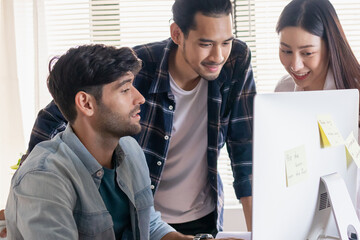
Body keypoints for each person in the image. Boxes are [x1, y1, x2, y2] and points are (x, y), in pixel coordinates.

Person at [5, 0, 256, 235]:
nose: (219, 56)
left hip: (191, 215)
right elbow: (56, 114)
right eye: (205, 43)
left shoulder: (236, 60)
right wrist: (29, 195)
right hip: (144, 212)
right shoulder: (137, 66)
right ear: (177, 34)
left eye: (226, 42)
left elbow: (244, 151)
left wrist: (258, 233)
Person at [4, 44, 191, 240]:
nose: (140, 98)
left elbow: (149, 225)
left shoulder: (131, 150)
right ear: (86, 103)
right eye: (125, 89)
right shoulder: (42, 178)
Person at [274, 0, 360, 217]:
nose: (295, 65)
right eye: (285, 51)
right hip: (302, 217)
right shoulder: (283, 92)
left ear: (330, 47)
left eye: (307, 53)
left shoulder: (355, 92)